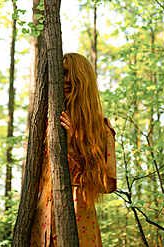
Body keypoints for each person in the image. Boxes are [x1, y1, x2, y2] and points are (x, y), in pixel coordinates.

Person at [30, 53, 116, 247]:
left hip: (78, 216)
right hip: (42, 218)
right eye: (60, 74)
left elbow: (108, 184)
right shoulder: (46, 122)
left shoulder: (99, 126)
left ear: (82, 78)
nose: (65, 80)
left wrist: (71, 148)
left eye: (69, 74)